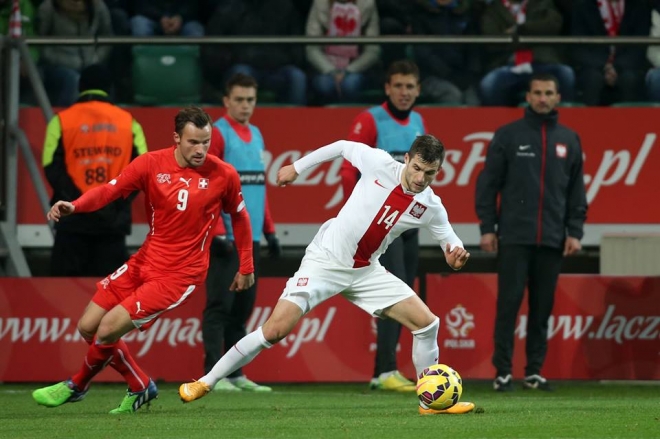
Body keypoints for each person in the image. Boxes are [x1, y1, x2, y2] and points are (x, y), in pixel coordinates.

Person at [179, 134, 477, 415]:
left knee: (427, 324)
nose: (420, 179)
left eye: (430, 173)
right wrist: (297, 167)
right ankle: (205, 381)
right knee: (274, 330)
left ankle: (430, 404)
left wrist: (455, 255)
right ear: (407, 159)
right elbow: (342, 146)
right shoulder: (378, 162)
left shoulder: (430, 205)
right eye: (417, 168)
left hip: (365, 271)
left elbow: (450, 242)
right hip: (324, 261)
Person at [32, 106, 255, 414]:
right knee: (87, 327)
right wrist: (75, 205)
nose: (201, 149)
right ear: (176, 138)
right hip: (145, 260)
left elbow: (240, 218)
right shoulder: (151, 164)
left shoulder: (223, 174)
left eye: (205, 141)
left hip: (180, 275)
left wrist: (247, 265)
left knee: (108, 328)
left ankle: (77, 385)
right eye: (193, 142)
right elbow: (110, 191)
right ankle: (139, 384)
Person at [475, 73, 587, 392]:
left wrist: (574, 231)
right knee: (508, 306)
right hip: (513, 237)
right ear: (528, 96)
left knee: (541, 311)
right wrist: (487, 228)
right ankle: (503, 373)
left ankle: (534, 372)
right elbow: (487, 185)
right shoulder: (508, 135)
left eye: (548, 93)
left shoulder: (569, 138)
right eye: (537, 92)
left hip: (552, 239)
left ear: (558, 97)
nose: (542, 98)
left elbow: (576, 192)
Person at [340, 59, 425, 392]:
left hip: (407, 224)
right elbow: (349, 171)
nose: (404, 93)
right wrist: (357, 217)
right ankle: (386, 369)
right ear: (387, 88)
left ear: (418, 90)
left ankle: (383, 371)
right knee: (396, 292)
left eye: (410, 87)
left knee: (403, 291)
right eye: (398, 86)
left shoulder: (418, 121)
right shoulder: (369, 120)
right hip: (380, 226)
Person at [203, 73, 281, 393]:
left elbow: (257, 187)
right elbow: (207, 187)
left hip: (251, 239)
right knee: (219, 306)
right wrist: (218, 230)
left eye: (250, 99)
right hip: (227, 238)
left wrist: (270, 230)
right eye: (239, 99)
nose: (245, 105)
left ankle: (235, 374)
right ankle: (211, 373)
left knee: (242, 310)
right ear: (226, 101)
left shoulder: (257, 134)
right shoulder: (218, 135)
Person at [42, 64, 148, 277]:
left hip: (72, 224)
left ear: (80, 87)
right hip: (112, 224)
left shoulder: (60, 121)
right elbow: (142, 170)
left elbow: (51, 167)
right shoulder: (129, 122)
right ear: (109, 88)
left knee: (64, 297)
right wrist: (111, 203)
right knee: (110, 300)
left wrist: (79, 203)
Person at [37, 0, 113, 107]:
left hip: (91, 61)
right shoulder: (48, 7)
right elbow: (39, 42)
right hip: (57, 66)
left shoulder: (98, 6)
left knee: (101, 77)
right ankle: (67, 117)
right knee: (73, 79)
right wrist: (58, 60)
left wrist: (96, 58)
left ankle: (105, 118)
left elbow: (107, 37)